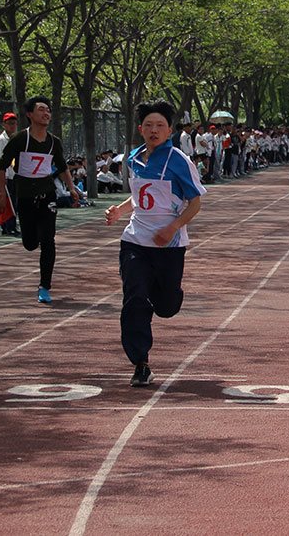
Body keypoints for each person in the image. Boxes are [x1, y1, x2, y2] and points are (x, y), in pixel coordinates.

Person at [105, 101, 205, 387]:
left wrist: (172, 227)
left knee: (166, 306)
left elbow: (195, 203)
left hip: (169, 246)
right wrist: (119, 211)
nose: (154, 130)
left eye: (160, 125)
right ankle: (140, 362)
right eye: (148, 125)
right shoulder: (134, 158)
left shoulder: (179, 161)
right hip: (135, 240)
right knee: (134, 297)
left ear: (169, 130)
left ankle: (164, 297)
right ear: (140, 129)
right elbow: (140, 196)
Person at [0, 96, 81, 304]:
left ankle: (44, 286)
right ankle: (33, 236)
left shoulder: (53, 142)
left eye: (48, 110)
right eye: (41, 109)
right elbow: (1, 166)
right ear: (30, 114)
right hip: (25, 196)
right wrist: (2, 194)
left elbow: (62, 167)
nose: (46, 113)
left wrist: (72, 188)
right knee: (30, 243)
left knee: (48, 240)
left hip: (47, 195)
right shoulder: (20, 139)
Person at [0, 112, 20, 236]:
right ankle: (8, 226)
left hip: (14, 175)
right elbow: (1, 161)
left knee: (13, 201)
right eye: (9, 123)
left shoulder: (15, 138)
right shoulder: (1, 140)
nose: (12, 126)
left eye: (14, 123)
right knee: (7, 201)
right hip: (5, 176)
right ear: (4, 125)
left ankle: (11, 225)